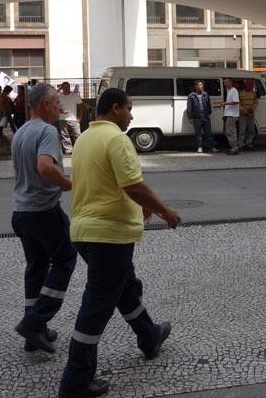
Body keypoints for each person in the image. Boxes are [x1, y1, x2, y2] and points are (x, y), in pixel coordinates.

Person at [58, 88, 182, 398]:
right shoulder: (116, 139)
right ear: (115, 109)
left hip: (85, 232)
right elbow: (133, 185)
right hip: (108, 236)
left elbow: (106, 182)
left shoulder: (85, 138)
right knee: (96, 306)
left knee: (125, 289)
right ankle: (76, 380)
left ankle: (149, 336)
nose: (132, 115)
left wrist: (141, 209)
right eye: (129, 109)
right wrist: (164, 210)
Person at [11, 82, 76, 354]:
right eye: (57, 102)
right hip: (44, 211)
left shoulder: (21, 132)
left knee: (36, 267)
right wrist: (66, 183)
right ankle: (34, 322)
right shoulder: (48, 131)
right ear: (46, 104)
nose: (60, 108)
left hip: (21, 212)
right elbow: (44, 166)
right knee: (65, 260)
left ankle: (33, 332)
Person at [186, 80, 214, 153]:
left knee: (208, 133)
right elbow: (189, 107)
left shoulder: (206, 94)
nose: (202, 86)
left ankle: (210, 147)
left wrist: (209, 112)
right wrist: (190, 118)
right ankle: (200, 147)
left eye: (202, 85)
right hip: (197, 117)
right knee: (198, 134)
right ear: (196, 86)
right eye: (200, 85)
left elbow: (208, 105)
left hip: (205, 117)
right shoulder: (191, 95)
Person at [58, 82, 85, 155]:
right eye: (64, 87)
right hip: (62, 119)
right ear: (62, 88)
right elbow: (55, 107)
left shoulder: (75, 95)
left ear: (69, 87)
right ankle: (68, 151)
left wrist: (79, 117)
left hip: (74, 119)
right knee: (65, 135)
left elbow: (81, 106)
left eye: (67, 87)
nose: (66, 88)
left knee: (78, 135)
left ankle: (79, 150)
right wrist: (61, 111)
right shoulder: (59, 96)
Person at [220, 78, 240, 155]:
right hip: (229, 114)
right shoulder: (230, 91)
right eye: (224, 82)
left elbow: (236, 102)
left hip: (232, 115)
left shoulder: (233, 90)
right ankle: (233, 147)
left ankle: (234, 148)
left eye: (226, 82)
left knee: (231, 132)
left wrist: (224, 104)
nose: (225, 84)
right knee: (228, 132)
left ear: (230, 83)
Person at [238, 79, 259, 150]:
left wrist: (252, 109)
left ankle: (249, 144)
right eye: (250, 85)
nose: (251, 86)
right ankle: (241, 145)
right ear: (246, 85)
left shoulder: (254, 93)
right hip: (243, 114)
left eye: (252, 85)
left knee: (251, 130)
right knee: (242, 130)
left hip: (251, 114)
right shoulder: (241, 93)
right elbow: (238, 104)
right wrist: (244, 111)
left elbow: (256, 102)